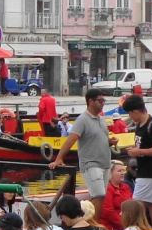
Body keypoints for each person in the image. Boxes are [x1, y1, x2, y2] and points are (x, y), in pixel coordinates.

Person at [48, 87, 112, 220]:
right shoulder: (82, 120)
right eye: (100, 100)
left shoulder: (101, 119)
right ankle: (93, 225)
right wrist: (59, 158)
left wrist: (110, 142)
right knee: (98, 195)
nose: (103, 103)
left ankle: (93, 223)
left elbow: (99, 138)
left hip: (105, 163)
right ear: (90, 101)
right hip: (91, 163)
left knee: (101, 196)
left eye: (103, 100)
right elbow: (70, 140)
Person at [121, 94, 152, 229]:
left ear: (136, 111)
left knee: (137, 204)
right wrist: (136, 150)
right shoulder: (140, 126)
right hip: (145, 170)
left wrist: (140, 152)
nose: (130, 117)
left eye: (130, 113)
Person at [101, 162, 133, 230]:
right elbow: (108, 212)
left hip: (128, 223)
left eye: (123, 170)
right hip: (112, 228)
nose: (123, 173)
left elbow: (132, 204)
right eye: (119, 171)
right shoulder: (107, 188)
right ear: (110, 174)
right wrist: (124, 225)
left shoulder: (126, 187)